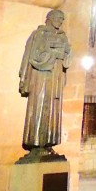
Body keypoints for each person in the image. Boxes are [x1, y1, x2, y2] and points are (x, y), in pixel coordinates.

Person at [18, 9, 72, 154]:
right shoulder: (40, 34)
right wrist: (55, 53)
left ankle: (49, 141)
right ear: (50, 18)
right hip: (41, 76)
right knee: (39, 105)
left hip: (55, 76)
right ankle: (36, 142)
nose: (61, 21)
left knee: (53, 107)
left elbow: (68, 55)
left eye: (62, 19)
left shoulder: (62, 36)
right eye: (59, 18)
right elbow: (36, 56)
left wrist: (66, 52)